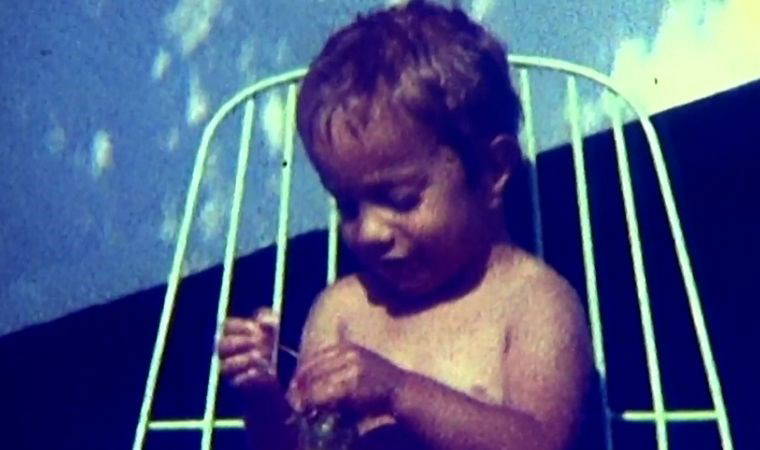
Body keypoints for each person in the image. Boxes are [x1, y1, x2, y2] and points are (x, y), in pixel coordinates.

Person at [218, 1, 592, 449]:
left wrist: (399, 392)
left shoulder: (532, 302)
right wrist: (264, 401)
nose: (370, 232)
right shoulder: (342, 311)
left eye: (401, 200)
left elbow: (544, 443)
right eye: (348, 207)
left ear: (494, 170)